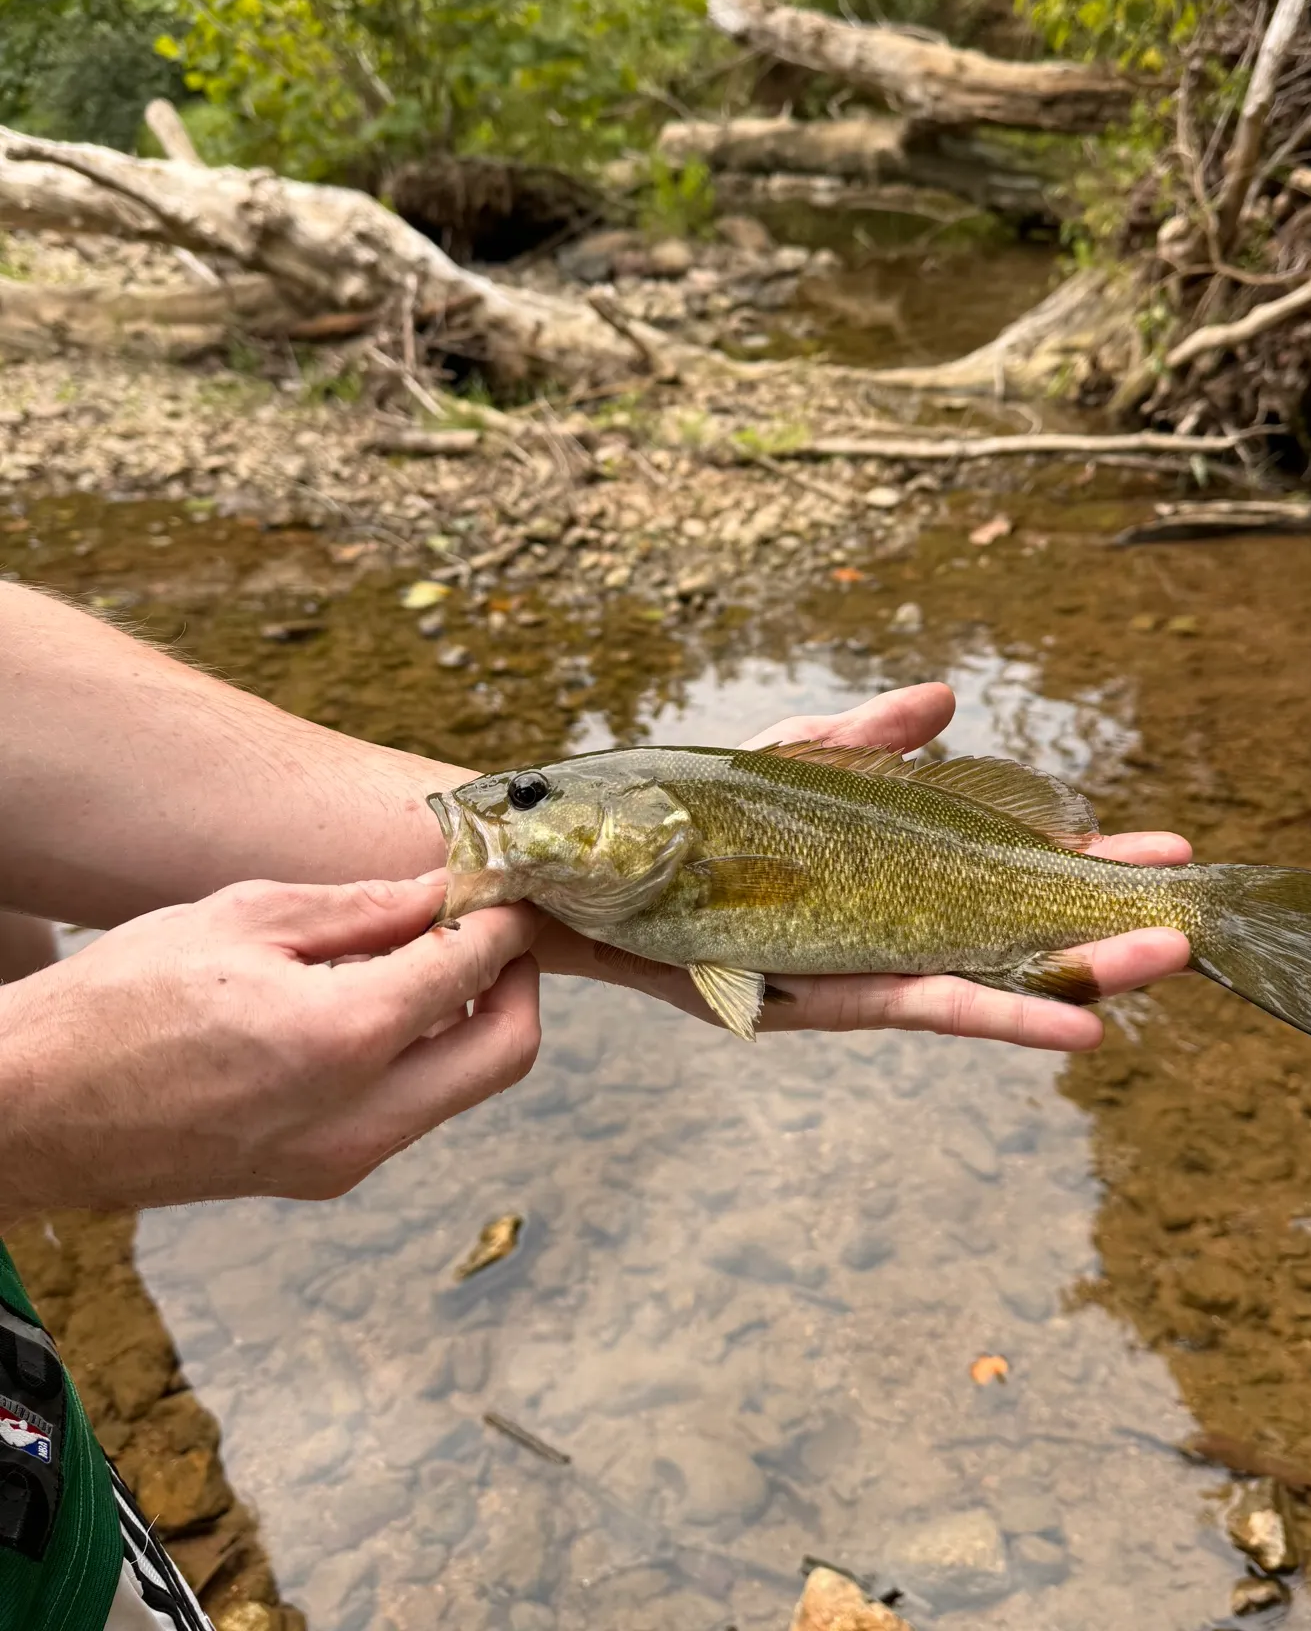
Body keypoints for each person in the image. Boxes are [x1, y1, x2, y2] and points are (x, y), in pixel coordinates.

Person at [0, 579, 1192, 1631]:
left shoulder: (656, 838)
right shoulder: (652, 839)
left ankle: (1215, 913)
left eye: (525, 797)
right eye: (519, 798)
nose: (493, 809)